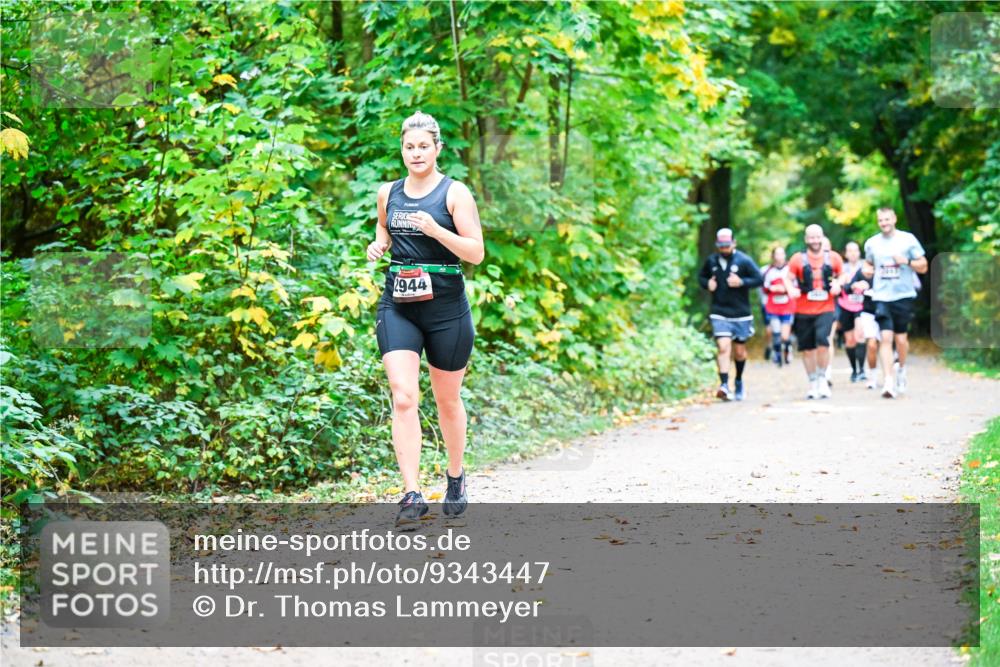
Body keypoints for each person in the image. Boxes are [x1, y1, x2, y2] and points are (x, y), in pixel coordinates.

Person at [367, 111, 485, 527]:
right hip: (398, 303)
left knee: (447, 400)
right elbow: (384, 228)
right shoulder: (389, 192)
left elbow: (475, 252)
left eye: (423, 146)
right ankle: (412, 494)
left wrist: (437, 231)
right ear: (402, 150)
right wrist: (378, 245)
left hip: (446, 307)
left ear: (437, 149)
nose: (415, 153)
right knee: (403, 396)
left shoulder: (455, 194)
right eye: (408, 147)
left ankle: (455, 476)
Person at [863, 207, 928, 398]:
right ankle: (888, 382)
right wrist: (867, 270)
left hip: (903, 296)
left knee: (901, 340)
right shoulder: (871, 243)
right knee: (885, 338)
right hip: (882, 297)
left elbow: (923, 266)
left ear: (894, 219)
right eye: (881, 220)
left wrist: (906, 261)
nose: (884, 223)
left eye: (887, 219)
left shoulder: (907, 240)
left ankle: (901, 369)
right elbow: (868, 264)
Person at [698, 228, 763, 401]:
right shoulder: (711, 261)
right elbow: (701, 277)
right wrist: (707, 284)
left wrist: (742, 282)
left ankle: (739, 381)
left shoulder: (744, 260)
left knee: (740, 352)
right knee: (723, 347)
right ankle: (724, 385)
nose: (724, 249)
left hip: (741, 313)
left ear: (734, 243)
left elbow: (759, 279)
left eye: (727, 245)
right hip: (719, 312)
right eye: (721, 246)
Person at [782, 224, 844, 399]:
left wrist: (838, 284)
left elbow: (843, 275)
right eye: (811, 237)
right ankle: (812, 382)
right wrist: (790, 289)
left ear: (822, 237)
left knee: (823, 342)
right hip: (803, 309)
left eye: (818, 237)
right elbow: (787, 278)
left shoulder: (833, 258)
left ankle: (823, 378)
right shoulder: (797, 259)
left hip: (826, 308)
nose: (815, 241)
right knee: (807, 349)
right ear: (806, 239)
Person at [847, 261, 880, 389]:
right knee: (871, 345)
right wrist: (857, 285)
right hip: (868, 313)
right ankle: (873, 377)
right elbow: (849, 287)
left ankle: (893, 374)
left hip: (886, 310)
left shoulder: (885, 268)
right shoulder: (861, 272)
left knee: (887, 342)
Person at [835, 241, 865, 382]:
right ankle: (854, 370)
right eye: (850, 251)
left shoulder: (866, 266)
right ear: (846, 254)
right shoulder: (841, 269)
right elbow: (836, 287)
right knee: (850, 341)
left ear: (859, 252)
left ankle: (863, 370)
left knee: (860, 336)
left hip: (862, 307)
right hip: (845, 306)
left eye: (855, 250)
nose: (853, 253)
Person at [761, 246, 794, 366]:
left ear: (785, 255)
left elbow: (796, 286)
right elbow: (763, 287)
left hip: (787, 306)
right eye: (777, 254)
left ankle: (787, 350)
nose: (779, 257)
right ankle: (777, 355)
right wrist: (772, 288)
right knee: (775, 331)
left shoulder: (790, 270)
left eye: (781, 254)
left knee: (785, 336)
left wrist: (785, 289)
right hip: (772, 306)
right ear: (773, 256)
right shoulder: (767, 270)